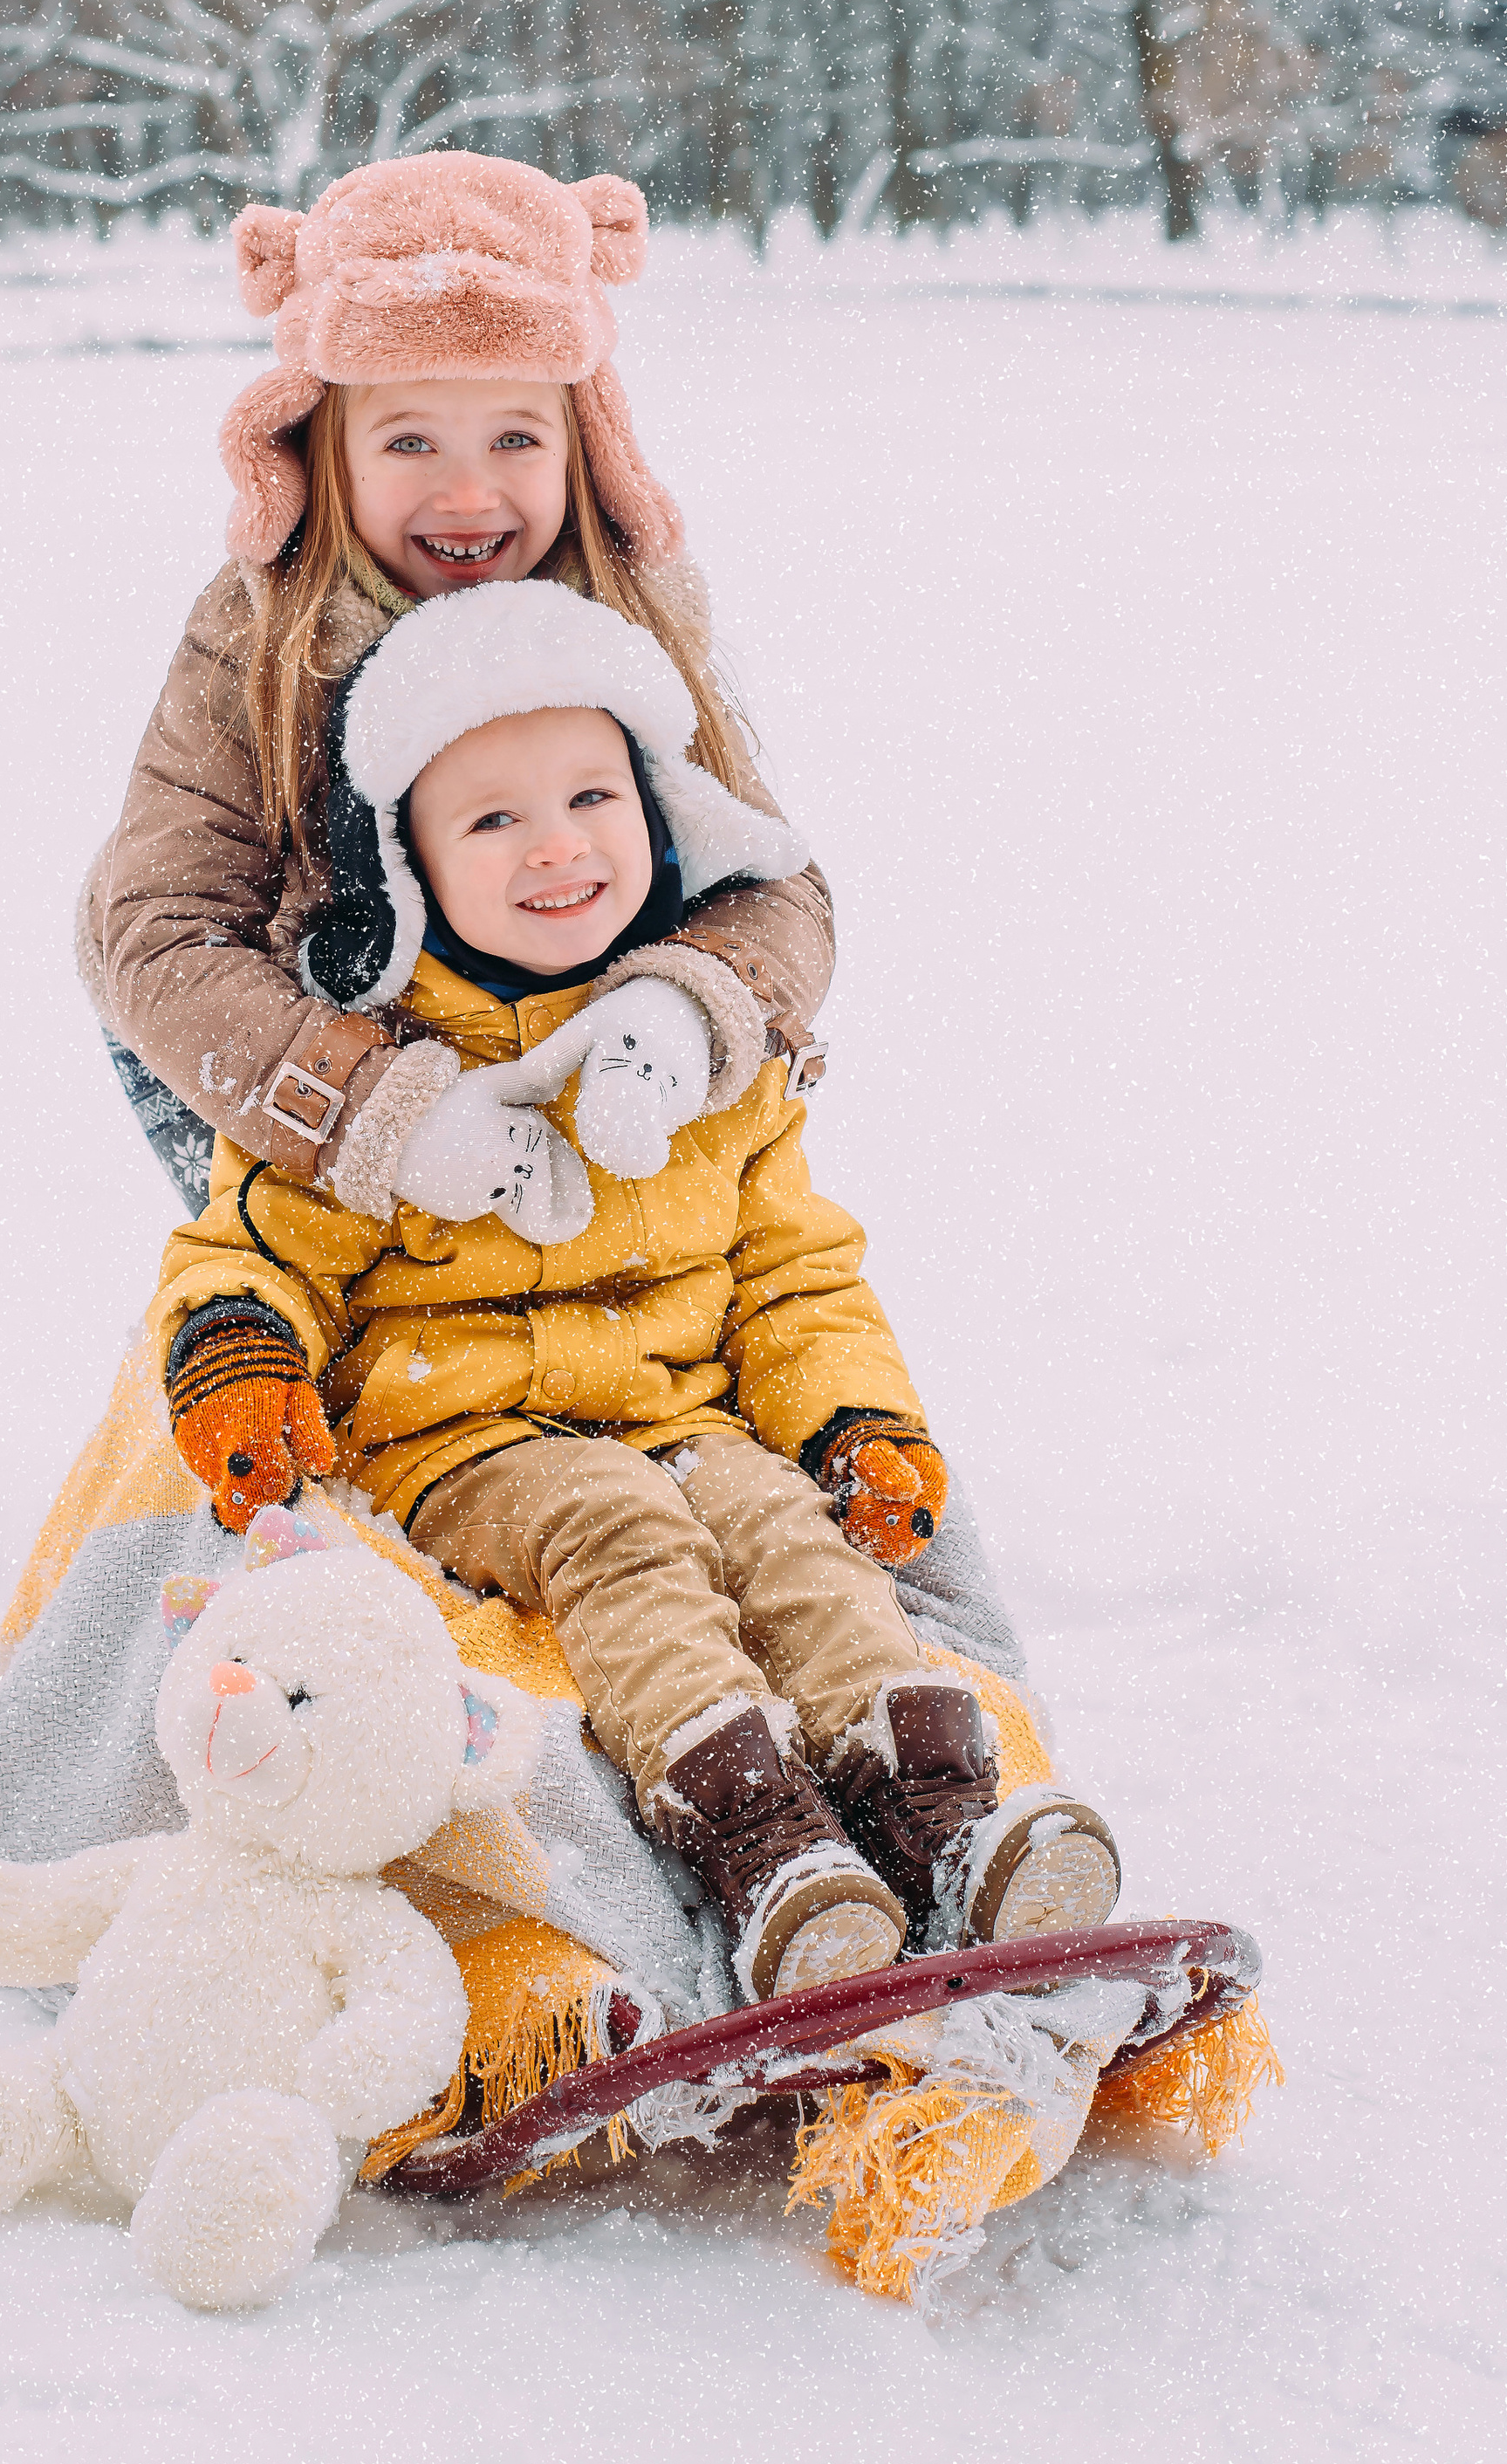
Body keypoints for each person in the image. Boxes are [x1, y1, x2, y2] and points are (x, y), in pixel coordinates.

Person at [141, 584, 1123, 2004]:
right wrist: (240, 1353)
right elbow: (250, 1244)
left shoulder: (697, 1057)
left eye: (591, 794)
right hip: (465, 1439)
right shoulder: (383, 1079)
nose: (556, 843)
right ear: (403, 862)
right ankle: (755, 1829)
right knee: (620, 1526)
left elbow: (794, 1271)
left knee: (783, 1531)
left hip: (681, 1412)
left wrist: (857, 1420)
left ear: (662, 815)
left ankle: (940, 1807)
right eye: (491, 819)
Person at [78, 148, 832, 1227]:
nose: (468, 492)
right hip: (306, 1034)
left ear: (584, 448)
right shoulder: (262, 635)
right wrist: (373, 1111)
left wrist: (682, 1009)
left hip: (569, 1016)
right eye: (410, 440)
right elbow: (162, 926)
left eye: (515, 438)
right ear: (326, 455)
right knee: (347, 1316)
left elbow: (777, 883)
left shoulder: (622, 617)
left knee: (628, 1298)